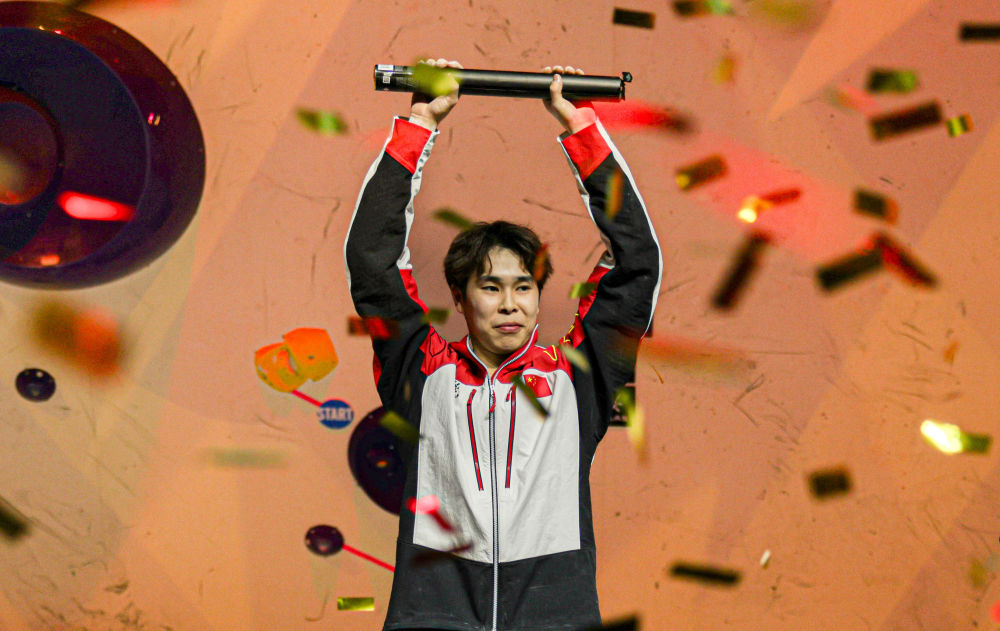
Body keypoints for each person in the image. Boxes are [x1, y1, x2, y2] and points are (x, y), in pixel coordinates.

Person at [344, 58, 662, 631]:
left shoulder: (578, 379)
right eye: (490, 288)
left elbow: (637, 262)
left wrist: (582, 128)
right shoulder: (420, 372)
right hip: (432, 617)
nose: (510, 303)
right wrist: (420, 125)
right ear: (460, 298)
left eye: (524, 287)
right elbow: (372, 260)